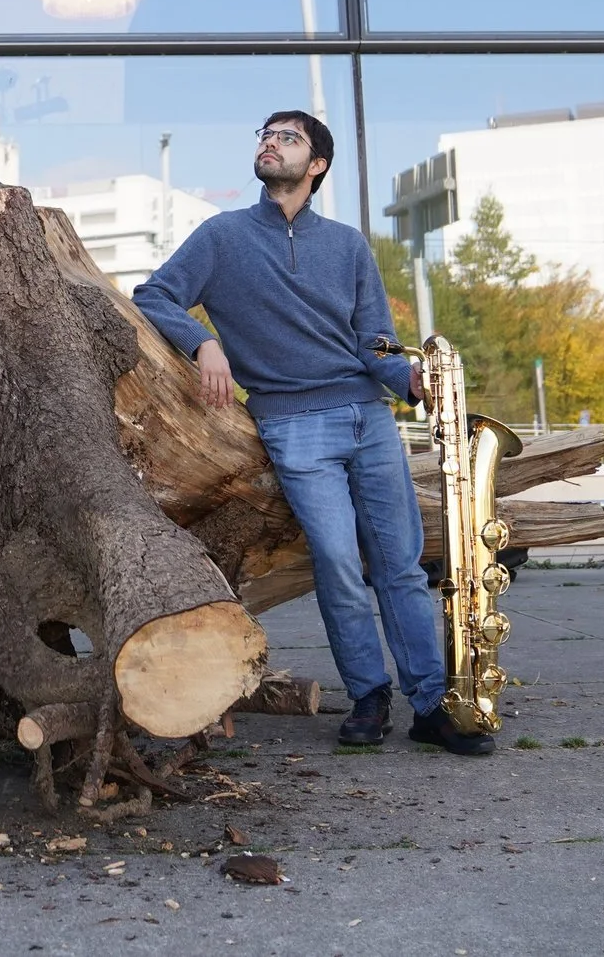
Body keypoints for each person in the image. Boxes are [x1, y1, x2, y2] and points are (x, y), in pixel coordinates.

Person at [131, 111, 492, 757]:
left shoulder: (349, 245)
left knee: (401, 566)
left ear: (316, 164)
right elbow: (153, 296)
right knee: (336, 564)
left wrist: (409, 377)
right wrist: (203, 342)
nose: (269, 142)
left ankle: (432, 703)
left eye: (287, 137)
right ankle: (369, 694)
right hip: (292, 425)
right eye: (265, 135)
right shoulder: (221, 236)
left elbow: (373, 342)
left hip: (369, 419)